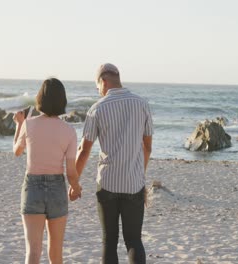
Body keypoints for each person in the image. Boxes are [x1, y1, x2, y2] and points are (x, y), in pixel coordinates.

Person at [75, 63, 153, 264]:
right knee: (134, 240)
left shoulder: (97, 109)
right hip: (134, 183)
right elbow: (147, 147)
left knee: (109, 241)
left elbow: (84, 151)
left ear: (104, 81)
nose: (98, 91)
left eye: (97, 87)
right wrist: (140, 175)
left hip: (107, 182)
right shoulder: (142, 104)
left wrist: (73, 182)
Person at [13, 78, 82, 264]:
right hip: (56, 189)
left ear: (40, 98)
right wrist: (76, 188)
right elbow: (71, 172)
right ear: (62, 101)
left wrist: (19, 123)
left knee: (33, 252)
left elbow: (17, 151)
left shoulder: (29, 124)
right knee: (56, 253)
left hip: (33, 187)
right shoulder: (69, 131)